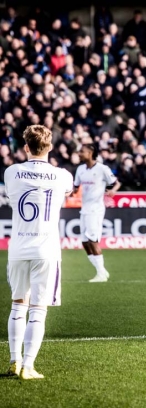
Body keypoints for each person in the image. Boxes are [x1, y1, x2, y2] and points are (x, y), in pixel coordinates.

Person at [5, 125, 74, 379]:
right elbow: (68, 189)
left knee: (17, 305)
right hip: (46, 249)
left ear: (25, 147)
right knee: (38, 309)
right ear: (51, 147)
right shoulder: (62, 175)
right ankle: (28, 366)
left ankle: (14, 361)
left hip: (18, 249)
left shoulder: (12, 172)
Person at [73, 144, 121, 283]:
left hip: (96, 209)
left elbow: (116, 183)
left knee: (93, 241)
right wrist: (72, 191)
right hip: (85, 208)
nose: (79, 153)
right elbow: (76, 187)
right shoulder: (80, 169)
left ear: (90, 152)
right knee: (85, 242)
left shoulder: (102, 169)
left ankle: (100, 273)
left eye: (82, 151)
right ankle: (102, 271)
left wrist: (113, 191)